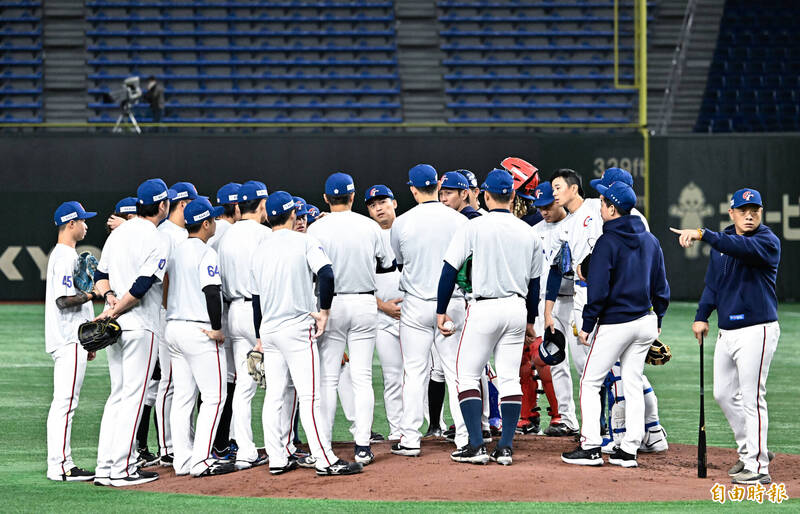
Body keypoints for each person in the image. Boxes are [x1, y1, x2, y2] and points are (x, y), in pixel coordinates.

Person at [671, 187, 780, 485]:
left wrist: (702, 233)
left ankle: (758, 468)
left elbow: (740, 248)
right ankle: (752, 451)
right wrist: (701, 316)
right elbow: (713, 284)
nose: (749, 215)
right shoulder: (723, 242)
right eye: (743, 210)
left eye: (754, 210)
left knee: (752, 398)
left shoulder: (767, 242)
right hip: (727, 331)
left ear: (761, 213)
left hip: (757, 330)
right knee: (722, 393)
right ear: (731, 213)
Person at [249, 191, 363, 476]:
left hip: (270, 329)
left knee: (274, 396)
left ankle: (276, 459)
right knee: (309, 396)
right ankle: (325, 460)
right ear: (292, 215)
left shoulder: (259, 249)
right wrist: (324, 312)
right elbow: (326, 274)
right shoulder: (304, 241)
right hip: (297, 329)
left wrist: (260, 337)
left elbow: (257, 299)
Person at [436, 169, 543, 465]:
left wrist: (441, 311)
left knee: (466, 374)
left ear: (484, 194)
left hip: (484, 308)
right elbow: (535, 282)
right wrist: (531, 319)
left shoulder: (474, 227)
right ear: (511, 195)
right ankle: (506, 447)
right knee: (509, 377)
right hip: (517, 309)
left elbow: (448, 270)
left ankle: (475, 445)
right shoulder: (529, 231)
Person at [561, 181, 669, 469]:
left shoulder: (607, 241)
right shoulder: (650, 239)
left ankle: (591, 446)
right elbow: (661, 286)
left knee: (590, 380)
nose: (599, 205)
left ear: (612, 208)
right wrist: (659, 317)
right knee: (632, 382)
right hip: (645, 321)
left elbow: (599, 288)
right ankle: (629, 450)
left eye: (603, 201)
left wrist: (587, 323)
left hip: (617, 323)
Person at [306, 172, 393, 466]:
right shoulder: (370, 227)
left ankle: (325, 443)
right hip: (365, 301)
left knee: (328, 379)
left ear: (327, 198)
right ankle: (363, 445)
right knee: (362, 377)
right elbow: (385, 262)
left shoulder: (315, 229)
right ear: (354, 197)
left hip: (330, 304)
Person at [92, 178, 170, 486]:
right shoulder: (156, 237)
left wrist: (110, 299)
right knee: (134, 396)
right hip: (139, 324)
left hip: (117, 328)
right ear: (162, 205)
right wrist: (117, 307)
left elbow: (100, 276)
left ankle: (104, 466)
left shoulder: (120, 232)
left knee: (118, 394)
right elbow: (141, 286)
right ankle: (122, 469)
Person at [389, 164, 469, 457]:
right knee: (456, 371)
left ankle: (410, 439)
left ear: (412, 189)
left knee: (414, 372)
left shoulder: (403, 222)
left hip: (415, 305)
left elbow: (399, 260)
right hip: (451, 304)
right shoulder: (458, 220)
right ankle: (464, 437)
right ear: (437, 184)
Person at [165, 197, 236, 477]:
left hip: (173, 328)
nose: (216, 223)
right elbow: (211, 292)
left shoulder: (177, 250)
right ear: (206, 223)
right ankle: (201, 460)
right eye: (213, 220)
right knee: (215, 396)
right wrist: (218, 327)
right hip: (198, 330)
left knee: (183, 397)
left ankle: (182, 460)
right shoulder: (207, 253)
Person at [216, 180, 273, 470]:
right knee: (277, 383)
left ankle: (245, 449)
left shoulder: (226, 236)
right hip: (258, 312)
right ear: (263, 205)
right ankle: (280, 447)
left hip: (232, 313)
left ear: (239, 205)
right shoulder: (265, 234)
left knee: (243, 386)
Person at [45, 202, 98, 482]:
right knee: (65, 403)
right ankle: (61, 466)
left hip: (71, 339)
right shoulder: (65, 256)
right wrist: (90, 296)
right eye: (83, 220)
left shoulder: (64, 254)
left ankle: (60, 462)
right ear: (70, 224)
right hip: (68, 340)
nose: (86, 225)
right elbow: (64, 301)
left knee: (64, 403)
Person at [529, 181, 579, 437]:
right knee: (555, 360)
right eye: (539, 207)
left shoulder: (575, 225)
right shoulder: (534, 230)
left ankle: (603, 419)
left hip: (577, 299)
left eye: (547, 205)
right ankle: (566, 418)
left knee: (584, 362)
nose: (544, 211)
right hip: (548, 304)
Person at [154, 181, 197, 467]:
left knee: (184, 383)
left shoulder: (180, 233)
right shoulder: (166, 234)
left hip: (177, 313)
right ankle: (166, 446)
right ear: (183, 203)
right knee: (169, 382)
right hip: (165, 312)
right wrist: (171, 308)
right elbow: (164, 276)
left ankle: (182, 442)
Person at [365, 184, 404, 441]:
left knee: (424, 374)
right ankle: (398, 431)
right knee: (392, 376)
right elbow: (357, 280)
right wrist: (382, 305)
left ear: (394, 203)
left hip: (414, 313)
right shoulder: (365, 235)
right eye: (372, 204)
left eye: (383, 201)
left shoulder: (410, 230)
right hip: (382, 316)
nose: (378, 207)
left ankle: (434, 427)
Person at [207, 182, 241, 460]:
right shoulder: (235, 232)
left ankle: (216, 441)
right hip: (233, 311)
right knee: (232, 380)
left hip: (215, 308)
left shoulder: (213, 233)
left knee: (219, 380)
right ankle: (224, 441)